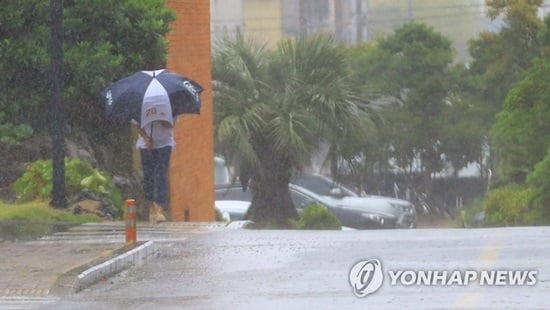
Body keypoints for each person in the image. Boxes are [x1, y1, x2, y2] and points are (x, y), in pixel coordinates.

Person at [133, 118, 176, 224]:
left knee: (161, 174)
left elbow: (170, 125)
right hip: (146, 145)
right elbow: (138, 124)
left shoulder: (169, 108)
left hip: (164, 144)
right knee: (149, 176)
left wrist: (159, 119)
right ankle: (152, 206)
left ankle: (160, 209)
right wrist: (146, 138)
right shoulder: (141, 106)